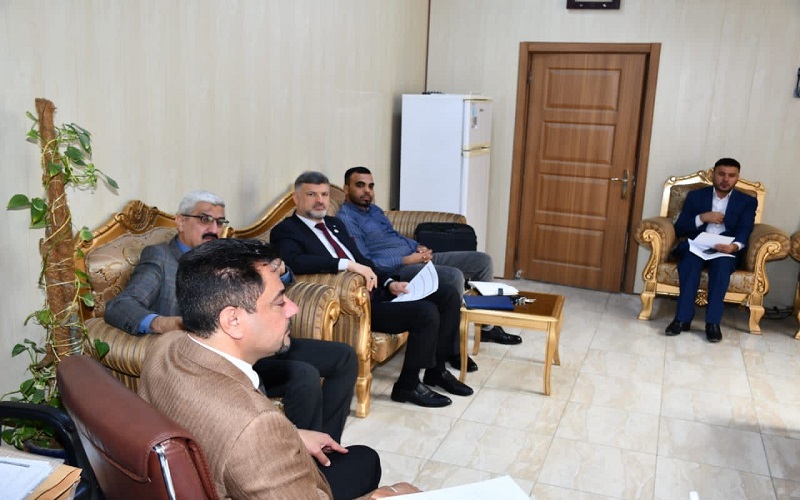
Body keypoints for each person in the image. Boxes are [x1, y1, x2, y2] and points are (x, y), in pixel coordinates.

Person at [138, 238, 418, 498]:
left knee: (363, 458)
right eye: (280, 301)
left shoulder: (166, 346)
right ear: (232, 320)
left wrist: (292, 435)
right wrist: (384, 495)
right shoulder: (255, 428)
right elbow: (246, 433)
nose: (292, 309)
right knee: (372, 466)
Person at [104, 190, 356, 442]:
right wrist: (164, 323)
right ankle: (303, 453)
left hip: (254, 338)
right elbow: (121, 305)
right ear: (181, 221)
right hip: (220, 357)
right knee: (303, 375)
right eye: (205, 219)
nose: (214, 229)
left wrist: (280, 270)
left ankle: (326, 444)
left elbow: (279, 279)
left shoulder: (224, 255)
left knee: (343, 357)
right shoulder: (161, 258)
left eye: (219, 222)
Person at [271, 171, 474, 408]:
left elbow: (363, 260)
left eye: (324, 195)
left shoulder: (335, 225)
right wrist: (346, 264)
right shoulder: (286, 230)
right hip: (356, 305)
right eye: (312, 194)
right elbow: (294, 261)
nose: (320, 200)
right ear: (296, 198)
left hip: (377, 291)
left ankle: (437, 371)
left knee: (448, 295)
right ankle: (407, 386)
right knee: (425, 312)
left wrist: (390, 283)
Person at [336, 166, 522, 369]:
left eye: (371, 186)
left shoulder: (375, 210)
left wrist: (418, 247)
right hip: (398, 270)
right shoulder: (347, 219)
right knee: (454, 276)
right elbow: (366, 261)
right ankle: (452, 350)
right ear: (346, 189)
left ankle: (488, 327)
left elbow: (394, 236)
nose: (367, 191)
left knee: (482, 261)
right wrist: (408, 260)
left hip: (416, 257)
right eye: (360, 185)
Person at [665, 158, 757, 343]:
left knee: (722, 267)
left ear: (737, 177)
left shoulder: (747, 201)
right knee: (689, 264)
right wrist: (702, 218)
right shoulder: (696, 196)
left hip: (726, 249)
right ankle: (682, 319)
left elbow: (745, 229)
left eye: (731, 175)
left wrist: (734, 247)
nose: (726, 179)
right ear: (713, 174)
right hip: (697, 245)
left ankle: (712, 323)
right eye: (721, 174)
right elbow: (680, 228)